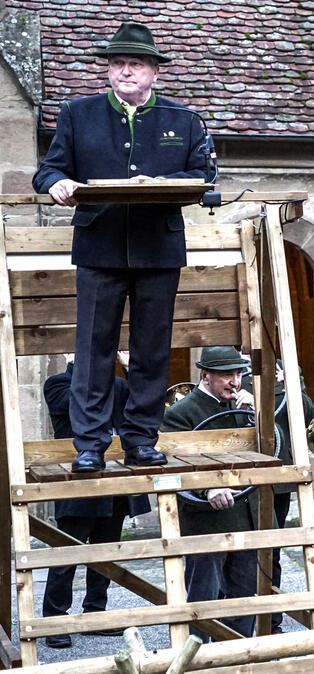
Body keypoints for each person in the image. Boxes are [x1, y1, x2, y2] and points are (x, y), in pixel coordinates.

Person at [32, 21, 208, 473]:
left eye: (135, 63)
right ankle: (89, 444)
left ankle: (141, 440)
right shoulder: (77, 114)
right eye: (117, 64)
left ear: (153, 72)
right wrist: (59, 183)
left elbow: (204, 179)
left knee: (151, 350)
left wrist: (163, 183)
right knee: (94, 351)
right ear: (108, 71)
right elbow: (47, 171)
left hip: (158, 249)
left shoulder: (183, 120)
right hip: (98, 246)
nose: (125, 71)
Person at [40, 352, 150, 649]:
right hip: (75, 484)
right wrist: (88, 366)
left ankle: (95, 615)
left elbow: (142, 407)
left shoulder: (117, 385)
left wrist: (130, 368)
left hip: (112, 483)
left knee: (105, 554)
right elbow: (79, 404)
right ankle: (55, 621)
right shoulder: (57, 384)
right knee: (67, 557)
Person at [162, 346, 262, 641]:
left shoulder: (243, 408)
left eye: (237, 374)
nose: (234, 381)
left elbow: (273, 446)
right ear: (205, 376)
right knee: (203, 595)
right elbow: (173, 463)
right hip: (206, 520)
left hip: (245, 513)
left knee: (243, 594)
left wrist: (257, 415)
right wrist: (207, 488)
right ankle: (199, 656)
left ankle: (237, 656)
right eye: (226, 376)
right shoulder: (182, 413)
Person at [269, 360, 314, 634]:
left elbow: (308, 416)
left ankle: (272, 620)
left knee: (273, 549)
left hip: (279, 475)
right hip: (237, 476)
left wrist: (292, 384)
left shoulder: (283, 366)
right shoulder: (226, 363)